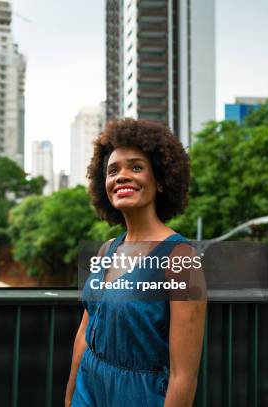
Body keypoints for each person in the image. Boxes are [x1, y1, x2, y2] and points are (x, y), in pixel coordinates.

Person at [65, 118, 207, 407]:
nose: (122, 176)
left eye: (136, 167)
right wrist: (69, 399)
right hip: (87, 389)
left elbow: (183, 376)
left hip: (138, 397)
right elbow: (85, 331)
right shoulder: (106, 250)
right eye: (113, 170)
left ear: (161, 180)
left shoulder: (180, 258)